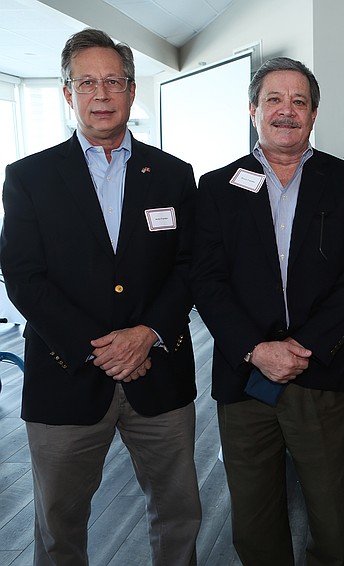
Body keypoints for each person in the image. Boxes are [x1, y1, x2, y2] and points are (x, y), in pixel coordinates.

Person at [0, 28, 201, 565]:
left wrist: (146, 334)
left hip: (158, 374)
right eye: (87, 82)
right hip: (66, 379)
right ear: (68, 93)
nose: (102, 94)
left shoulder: (175, 176)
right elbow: (22, 276)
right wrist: (97, 347)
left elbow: (190, 267)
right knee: (58, 528)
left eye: (114, 81)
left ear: (132, 91)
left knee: (178, 515)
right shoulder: (28, 178)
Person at [192, 56, 344, 566]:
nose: (286, 111)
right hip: (244, 377)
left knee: (333, 513)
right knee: (253, 514)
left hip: (319, 371)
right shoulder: (216, 187)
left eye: (299, 101)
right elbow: (206, 279)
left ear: (314, 114)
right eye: (274, 99)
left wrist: (303, 347)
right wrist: (256, 349)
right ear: (253, 109)